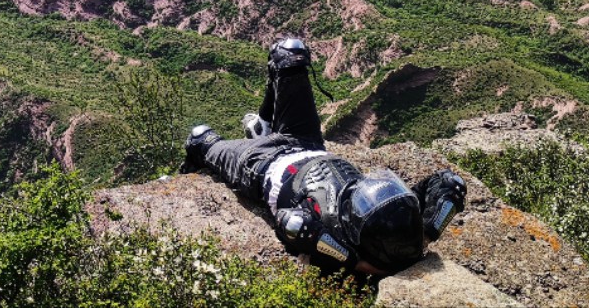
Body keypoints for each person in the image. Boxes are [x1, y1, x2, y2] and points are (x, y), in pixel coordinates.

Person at [181, 38, 467, 276]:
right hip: (307, 142)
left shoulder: (340, 238)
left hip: (261, 163)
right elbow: (450, 184)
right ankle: (264, 124)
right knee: (290, 52)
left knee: (200, 137)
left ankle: (241, 140)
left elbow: (293, 225)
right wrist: (427, 231)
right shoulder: (398, 220)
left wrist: (354, 263)